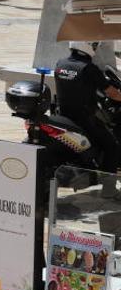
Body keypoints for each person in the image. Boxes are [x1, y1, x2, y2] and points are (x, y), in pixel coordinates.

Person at [55, 41, 121, 197]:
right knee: (112, 146)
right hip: (84, 118)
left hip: (63, 115)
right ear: (85, 46)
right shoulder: (88, 68)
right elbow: (111, 92)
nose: (94, 49)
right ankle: (109, 190)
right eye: (93, 46)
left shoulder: (60, 63)